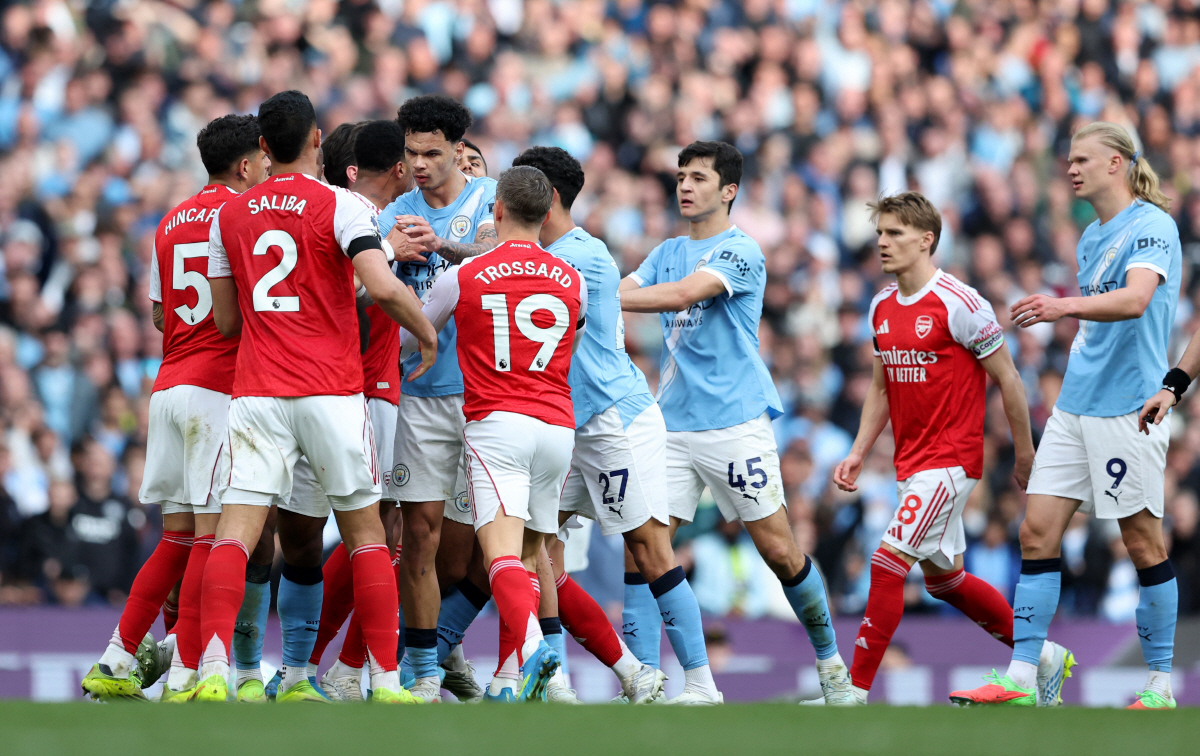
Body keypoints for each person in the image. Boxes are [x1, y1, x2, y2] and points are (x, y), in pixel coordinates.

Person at [194, 90, 436, 704]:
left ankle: (217, 673)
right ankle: (383, 681)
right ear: (317, 138)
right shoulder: (343, 205)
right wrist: (425, 329)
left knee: (236, 534)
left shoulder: (234, 213)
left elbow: (225, 323)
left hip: (258, 390)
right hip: (330, 389)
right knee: (365, 537)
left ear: (262, 147)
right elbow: (381, 288)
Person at [952, 122, 1182, 710]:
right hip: (1075, 405)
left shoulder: (1153, 226)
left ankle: (1159, 684)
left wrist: (1062, 305)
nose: (1071, 167)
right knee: (1035, 533)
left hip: (1128, 407)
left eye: (1083, 158)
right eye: (1068, 159)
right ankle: (1025, 676)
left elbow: (1135, 300)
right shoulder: (1088, 236)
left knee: (1141, 541)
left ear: (1117, 163)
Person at [619, 141, 851, 705]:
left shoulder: (741, 250)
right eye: (680, 176)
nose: (685, 186)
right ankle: (661, 682)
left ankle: (833, 671)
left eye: (698, 177)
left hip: (735, 425)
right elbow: (626, 289)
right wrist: (599, 294)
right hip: (672, 426)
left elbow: (678, 294)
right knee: (645, 547)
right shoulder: (668, 248)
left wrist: (594, 298)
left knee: (779, 551)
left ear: (729, 191)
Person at [831, 191, 1073, 706]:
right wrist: (857, 450)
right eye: (879, 233)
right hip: (911, 463)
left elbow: (1009, 380)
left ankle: (852, 691)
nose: (882, 242)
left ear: (927, 240)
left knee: (886, 562)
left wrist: (1026, 453)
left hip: (952, 461)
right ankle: (1044, 654)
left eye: (894, 233)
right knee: (945, 581)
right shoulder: (880, 306)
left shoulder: (960, 303)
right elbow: (880, 387)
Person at [512, 146, 715, 705]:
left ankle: (699, 681)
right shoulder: (537, 254)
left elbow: (537, 297)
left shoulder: (587, 257)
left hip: (614, 422)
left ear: (545, 197)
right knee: (535, 544)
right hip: (565, 426)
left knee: (648, 546)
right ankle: (560, 682)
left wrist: (465, 250)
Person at [80, 114, 268, 702]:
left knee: (178, 538)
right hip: (216, 389)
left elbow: (161, 314)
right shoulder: (240, 216)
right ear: (244, 165)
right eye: (261, 163)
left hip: (168, 386)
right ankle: (188, 669)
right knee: (213, 539)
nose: (266, 170)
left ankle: (115, 657)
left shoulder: (168, 222)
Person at [399, 165, 583, 701]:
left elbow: (418, 331)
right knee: (531, 555)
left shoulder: (466, 274)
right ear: (547, 214)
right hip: (557, 429)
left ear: (496, 210)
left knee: (499, 555)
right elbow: (574, 330)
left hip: (498, 423)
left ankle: (532, 650)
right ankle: (508, 679)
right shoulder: (570, 276)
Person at [377, 94, 498, 702]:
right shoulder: (391, 213)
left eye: (431, 152)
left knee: (469, 556)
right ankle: (422, 672)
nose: (419, 164)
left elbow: (512, 261)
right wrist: (393, 255)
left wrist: (448, 249)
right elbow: (363, 287)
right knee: (417, 537)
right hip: (420, 395)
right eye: (410, 152)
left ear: (458, 149)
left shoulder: (492, 201)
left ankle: (449, 648)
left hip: (486, 394)